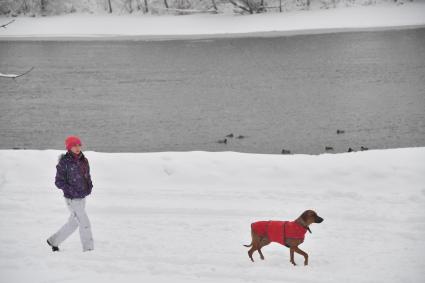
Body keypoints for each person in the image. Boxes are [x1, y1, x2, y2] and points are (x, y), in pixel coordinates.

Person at [47, 135, 94, 252]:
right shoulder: (64, 163)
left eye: (79, 145)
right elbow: (59, 182)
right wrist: (71, 191)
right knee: (85, 223)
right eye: (74, 146)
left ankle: (54, 241)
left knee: (74, 223)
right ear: (69, 148)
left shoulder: (84, 159)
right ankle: (88, 250)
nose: (77, 148)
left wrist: (89, 186)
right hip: (72, 199)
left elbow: (87, 175)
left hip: (82, 197)